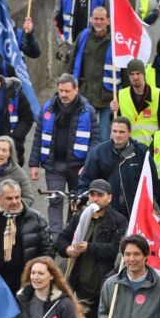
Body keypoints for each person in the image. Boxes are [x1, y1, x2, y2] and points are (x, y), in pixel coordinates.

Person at [54, 180, 126, 318]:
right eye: (92, 195)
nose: (95, 198)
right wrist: (67, 249)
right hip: (83, 284)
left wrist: (89, 247)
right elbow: (60, 239)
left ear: (109, 198)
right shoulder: (81, 217)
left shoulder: (118, 220)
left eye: (100, 195)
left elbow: (117, 250)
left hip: (107, 284)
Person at [29, 74, 101, 237]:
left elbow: (95, 140)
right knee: (55, 200)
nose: (63, 94)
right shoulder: (48, 108)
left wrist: (88, 164)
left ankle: (70, 234)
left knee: (76, 202)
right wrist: (34, 164)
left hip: (79, 167)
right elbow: (39, 135)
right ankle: (56, 236)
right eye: (61, 90)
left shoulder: (87, 111)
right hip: (54, 166)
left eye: (67, 91)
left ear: (76, 90)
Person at [76, 118, 150, 218]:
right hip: (108, 210)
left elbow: (151, 181)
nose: (117, 135)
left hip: (136, 210)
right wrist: (80, 197)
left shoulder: (142, 151)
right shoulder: (99, 151)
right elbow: (87, 178)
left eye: (121, 132)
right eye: (114, 131)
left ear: (129, 132)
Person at [68, 5, 114, 142]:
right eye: (96, 19)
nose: (98, 22)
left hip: (108, 96)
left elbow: (124, 69)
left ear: (108, 20)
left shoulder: (116, 39)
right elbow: (73, 62)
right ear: (91, 19)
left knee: (104, 135)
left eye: (102, 19)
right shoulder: (83, 37)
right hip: (86, 95)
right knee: (84, 134)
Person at [111, 59, 160, 147]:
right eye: (132, 74)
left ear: (144, 74)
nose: (135, 77)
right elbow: (116, 123)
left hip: (152, 147)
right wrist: (113, 111)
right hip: (129, 148)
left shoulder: (157, 94)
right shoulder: (121, 94)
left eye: (138, 73)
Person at [0, 137, 33, 204]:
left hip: (12, 212)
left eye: (4, 150)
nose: (0, 153)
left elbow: (29, 199)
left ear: (10, 153)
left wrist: (10, 205)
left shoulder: (19, 173)